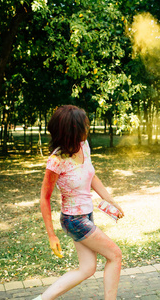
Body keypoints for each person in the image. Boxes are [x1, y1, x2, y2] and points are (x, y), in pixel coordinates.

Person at [34, 105, 124, 300]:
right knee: (115, 255)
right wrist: (51, 236)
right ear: (72, 129)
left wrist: (111, 201)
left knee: (87, 268)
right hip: (74, 220)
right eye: (84, 124)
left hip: (87, 215)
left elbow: (91, 176)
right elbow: (45, 198)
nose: (88, 127)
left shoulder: (83, 146)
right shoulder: (56, 161)